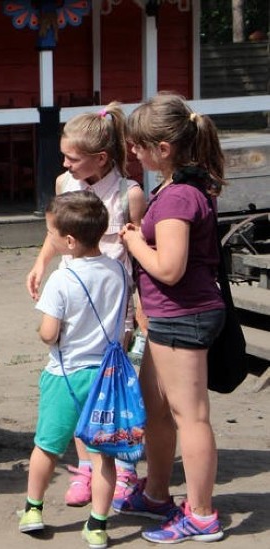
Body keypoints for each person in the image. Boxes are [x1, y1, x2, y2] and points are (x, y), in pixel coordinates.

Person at [115, 93, 226, 543]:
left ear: (163, 148)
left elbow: (169, 267)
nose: (134, 152)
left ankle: (201, 514)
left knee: (190, 415)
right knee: (156, 407)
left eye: (139, 145)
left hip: (185, 317)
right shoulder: (175, 186)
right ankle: (157, 493)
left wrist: (132, 240)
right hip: (167, 318)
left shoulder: (179, 196)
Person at [26, 102, 148, 508]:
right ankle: (85, 466)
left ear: (100, 158)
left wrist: (140, 312)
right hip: (76, 297)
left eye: (72, 158)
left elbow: (139, 254)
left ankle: (121, 466)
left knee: (109, 385)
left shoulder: (128, 194)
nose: (65, 163)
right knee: (79, 387)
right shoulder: (66, 185)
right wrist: (42, 262)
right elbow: (57, 230)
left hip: (114, 305)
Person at [19, 191, 125, 549]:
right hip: (106, 377)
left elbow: (50, 333)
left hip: (65, 375)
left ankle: (33, 509)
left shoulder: (62, 280)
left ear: (68, 241)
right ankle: (97, 525)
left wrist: (44, 331)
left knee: (47, 446)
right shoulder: (117, 270)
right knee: (102, 456)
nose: (47, 239)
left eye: (50, 233)